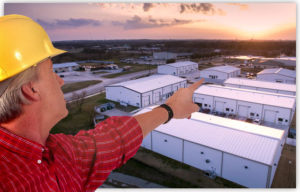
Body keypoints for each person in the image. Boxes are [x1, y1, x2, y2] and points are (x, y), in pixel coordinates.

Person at [0, 14, 204, 191]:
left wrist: (169, 109)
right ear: (31, 89)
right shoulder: (9, 181)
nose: (60, 80)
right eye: (51, 71)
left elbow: (114, 140)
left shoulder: (59, 153)